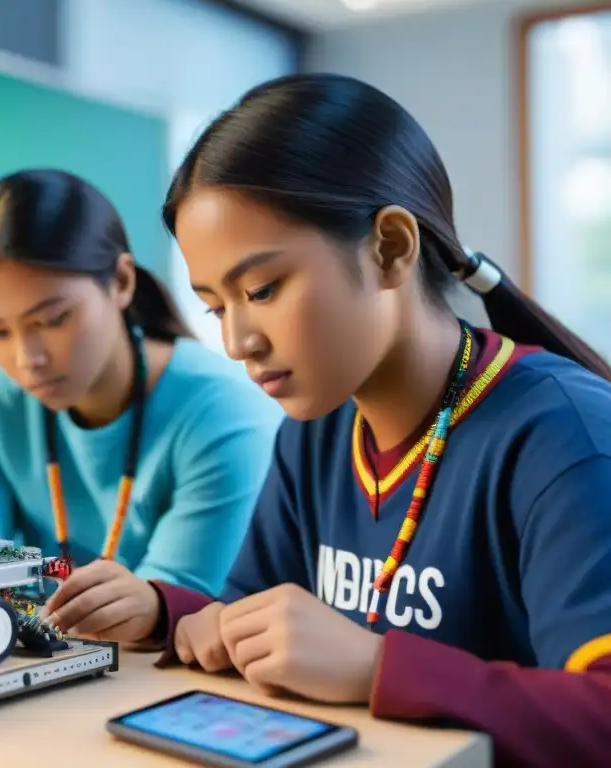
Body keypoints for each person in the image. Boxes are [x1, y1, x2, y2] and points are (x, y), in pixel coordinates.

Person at [45, 75, 611, 766]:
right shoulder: (314, 429)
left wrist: (377, 667)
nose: (238, 342)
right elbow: (252, 623)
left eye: (262, 289)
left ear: (391, 248)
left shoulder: (563, 434)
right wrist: (167, 615)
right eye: (218, 307)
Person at [0, 168, 280, 639]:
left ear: (121, 282)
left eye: (54, 318)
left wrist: (151, 605)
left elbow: (180, 605)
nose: (27, 359)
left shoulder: (224, 410)